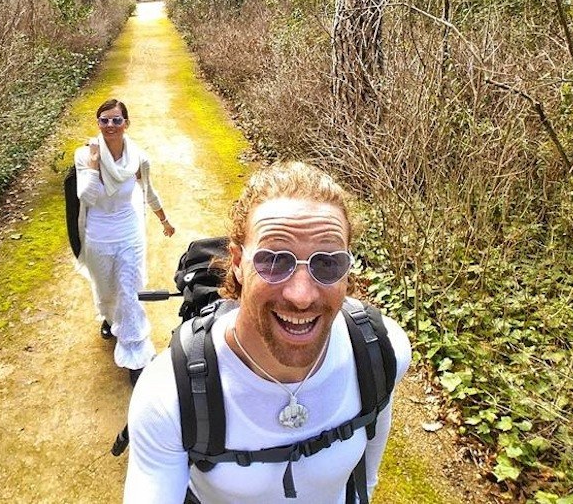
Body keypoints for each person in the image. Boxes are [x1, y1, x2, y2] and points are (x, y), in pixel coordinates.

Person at [123, 161, 412, 503]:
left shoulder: (380, 352)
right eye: (273, 260)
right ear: (237, 263)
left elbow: (365, 480)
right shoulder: (168, 396)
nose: (301, 296)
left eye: (327, 263)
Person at [74, 98, 175, 385]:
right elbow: (87, 196)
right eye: (104, 120)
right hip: (98, 235)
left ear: (126, 123)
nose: (110, 125)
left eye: (116, 120)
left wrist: (164, 220)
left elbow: (149, 192)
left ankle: (136, 353)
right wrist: (94, 166)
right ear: (98, 123)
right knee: (106, 290)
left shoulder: (138, 158)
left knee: (130, 291)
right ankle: (110, 319)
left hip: (128, 232)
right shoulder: (84, 155)